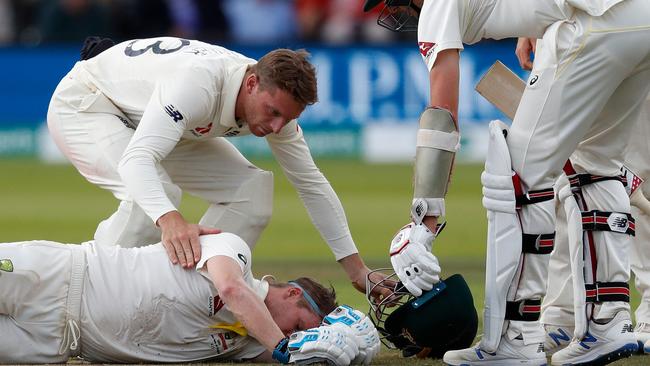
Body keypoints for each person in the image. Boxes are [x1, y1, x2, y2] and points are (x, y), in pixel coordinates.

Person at [363, 0, 650, 365]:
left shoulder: (437, 5)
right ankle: (607, 324)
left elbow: (441, 117)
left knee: (515, 177)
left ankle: (516, 338)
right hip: (640, 20)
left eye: (398, 2)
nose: (401, 10)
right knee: (595, 165)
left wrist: (425, 220)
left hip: (593, 24)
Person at [47, 37, 383, 296]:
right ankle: (89, 297)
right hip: (87, 104)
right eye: (273, 112)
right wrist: (171, 220)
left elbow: (311, 184)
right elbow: (137, 161)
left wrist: (357, 270)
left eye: (288, 118)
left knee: (251, 189)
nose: (277, 127)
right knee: (156, 193)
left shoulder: (271, 103)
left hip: (145, 115)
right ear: (251, 84)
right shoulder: (199, 84)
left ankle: (192, 298)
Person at [0, 232, 366, 364]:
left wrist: (345, 347)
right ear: (292, 293)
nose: (293, 338)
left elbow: (309, 355)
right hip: (59, 277)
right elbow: (231, 290)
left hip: (54, 343)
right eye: (300, 327)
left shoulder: (242, 345)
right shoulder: (235, 251)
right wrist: (285, 348)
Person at [515, 37, 650, 356]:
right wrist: (533, 25)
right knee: (572, 176)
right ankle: (564, 312)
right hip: (578, 34)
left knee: (638, 169)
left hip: (631, 26)